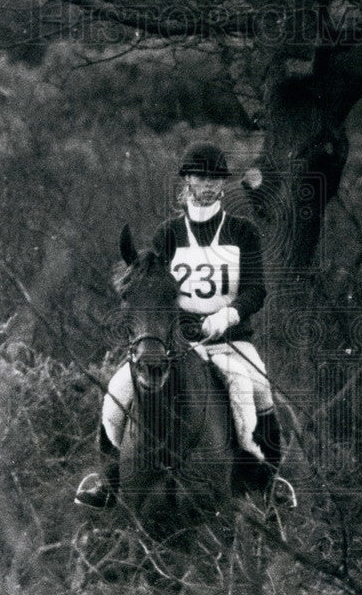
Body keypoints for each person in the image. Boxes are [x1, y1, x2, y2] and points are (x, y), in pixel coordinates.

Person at [75, 142, 294, 510]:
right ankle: (109, 480)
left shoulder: (242, 231)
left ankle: (270, 480)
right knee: (116, 391)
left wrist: (227, 315)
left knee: (257, 388)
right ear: (187, 181)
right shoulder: (168, 233)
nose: (207, 184)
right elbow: (156, 288)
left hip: (231, 339)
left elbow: (256, 290)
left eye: (214, 178)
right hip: (176, 343)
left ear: (222, 184)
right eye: (200, 177)